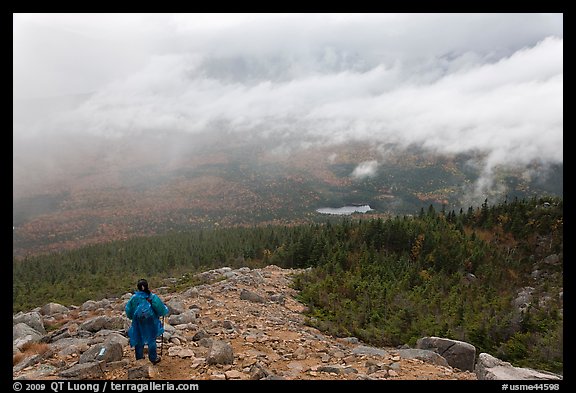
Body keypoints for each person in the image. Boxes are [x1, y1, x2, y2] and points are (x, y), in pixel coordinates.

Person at [125, 278, 169, 364]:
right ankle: (153, 358)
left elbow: (128, 310)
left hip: (138, 321)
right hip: (150, 320)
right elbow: (161, 310)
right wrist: (165, 311)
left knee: (138, 337)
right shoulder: (152, 297)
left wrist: (131, 317)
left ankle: (139, 358)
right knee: (151, 338)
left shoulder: (134, 298)